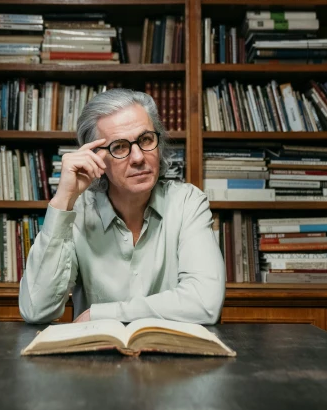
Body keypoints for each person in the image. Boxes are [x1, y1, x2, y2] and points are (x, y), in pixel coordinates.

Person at [19, 88, 225, 324]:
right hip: (96, 357)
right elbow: (36, 310)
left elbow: (205, 303)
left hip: (172, 356)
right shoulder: (77, 212)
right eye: (119, 147)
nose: (138, 157)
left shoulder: (187, 202)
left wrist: (101, 314)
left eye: (146, 139)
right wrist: (63, 199)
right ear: (96, 158)